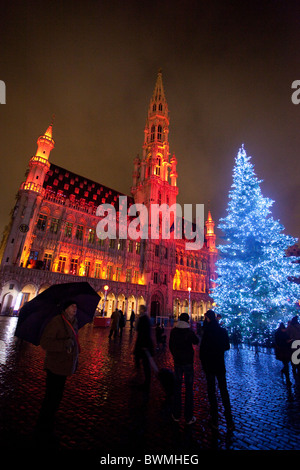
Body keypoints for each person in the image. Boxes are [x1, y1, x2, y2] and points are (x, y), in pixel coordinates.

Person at [36, 300, 80, 440]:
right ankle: (43, 426)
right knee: (51, 397)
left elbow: (73, 340)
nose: (75, 308)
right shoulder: (56, 322)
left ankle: (49, 420)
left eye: (76, 306)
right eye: (72, 306)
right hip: (54, 365)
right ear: (65, 308)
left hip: (65, 366)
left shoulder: (74, 322)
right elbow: (45, 342)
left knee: (57, 396)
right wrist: (64, 344)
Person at [199, 310, 234, 431]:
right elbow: (227, 346)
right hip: (219, 364)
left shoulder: (207, 332)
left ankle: (214, 419)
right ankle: (229, 420)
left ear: (208, 318)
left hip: (209, 365)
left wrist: (204, 362)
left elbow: (202, 350)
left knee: (211, 391)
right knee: (224, 391)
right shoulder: (222, 330)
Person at [169, 312, 199, 425]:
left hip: (177, 362)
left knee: (177, 387)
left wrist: (175, 355)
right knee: (189, 389)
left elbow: (170, 345)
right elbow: (196, 341)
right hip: (188, 363)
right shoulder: (189, 331)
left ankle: (176, 414)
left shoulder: (174, 331)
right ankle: (188, 416)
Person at [133, 305, 154, 394]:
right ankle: (141, 378)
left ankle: (142, 379)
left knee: (143, 362)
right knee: (142, 361)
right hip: (145, 343)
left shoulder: (143, 319)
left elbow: (137, 330)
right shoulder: (147, 319)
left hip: (143, 343)